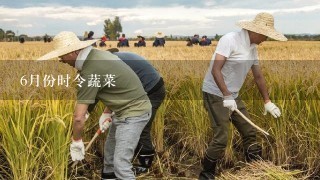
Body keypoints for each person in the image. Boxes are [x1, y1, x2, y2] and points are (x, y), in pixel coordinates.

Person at [37, 31, 152, 179]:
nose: (61, 60)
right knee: (109, 158)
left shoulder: (90, 70)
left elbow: (78, 117)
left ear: (73, 52)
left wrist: (76, 142)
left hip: (134, 114)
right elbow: (117, 87)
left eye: (62, 55)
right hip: (123, 111)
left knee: (121, 165)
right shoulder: (98, 56)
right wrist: (107, 112)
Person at [200, 12, 287, 179]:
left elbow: (258, 76)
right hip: (215, 93)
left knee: (249, 132)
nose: (266, 39)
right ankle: (206, 174)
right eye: (266, 35)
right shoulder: (230, 40)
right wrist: (226, 95)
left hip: (233, 94)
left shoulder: (252, 48)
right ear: (256, 32)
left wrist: (267, 101)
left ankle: (254, 170)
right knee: (221, 138)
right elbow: (215, 69)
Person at [88, 50, 165, 175]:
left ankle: (145, 164)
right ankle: (121, 164)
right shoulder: (113, 61)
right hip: (147, 86)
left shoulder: (111, 64)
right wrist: (107, 112)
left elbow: (115, 91)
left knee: (141, 126)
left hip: (152, 89)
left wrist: (84, 114)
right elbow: (117, 92)